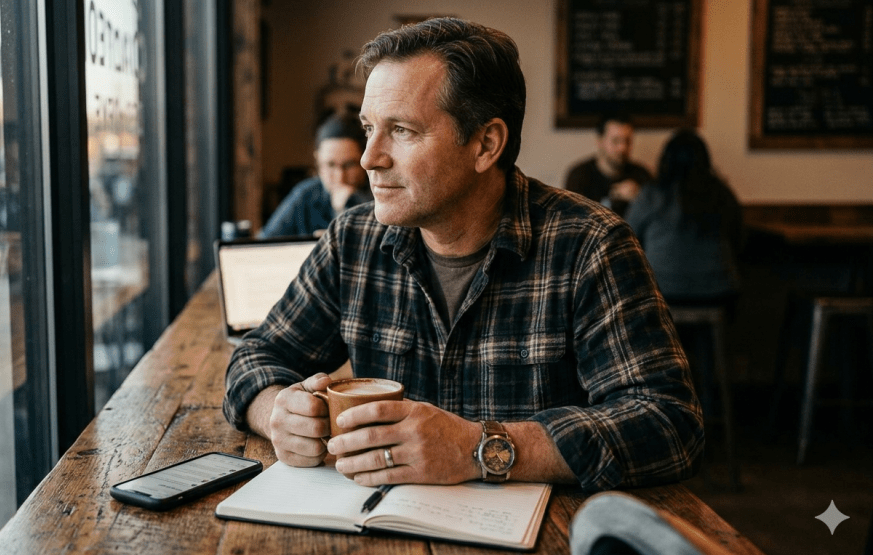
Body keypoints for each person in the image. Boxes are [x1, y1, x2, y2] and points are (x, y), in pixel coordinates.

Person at [223, 18, 703, 493]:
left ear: (485, 144)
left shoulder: (590, 246)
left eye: (402, 131)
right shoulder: (353, 239)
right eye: (369, 128)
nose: (369, 158)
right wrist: (276, 413)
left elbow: (669, 422)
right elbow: (256, 357)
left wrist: (479, 448)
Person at [624, 129, 743, 309]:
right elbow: (738, 239)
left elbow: (627, 239)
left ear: (665, 160)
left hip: (661, 290)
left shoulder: (651, 195)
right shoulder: (722, 194)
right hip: (719, 290)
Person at [259, 114, 372, 238]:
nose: (340, 177)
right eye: (330, 165)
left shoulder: (380, 193)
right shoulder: (305, 194)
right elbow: (265, 241)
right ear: (318, 161)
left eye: (349, 165)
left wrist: (355, 201)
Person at [563, 114, 653, 218]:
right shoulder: (579, 176)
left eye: (627, 141)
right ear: (600, 141)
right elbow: (571, 220)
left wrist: (640, 198)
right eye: (616, 141)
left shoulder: (642, 175)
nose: (622, 148)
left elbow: (657, 220)